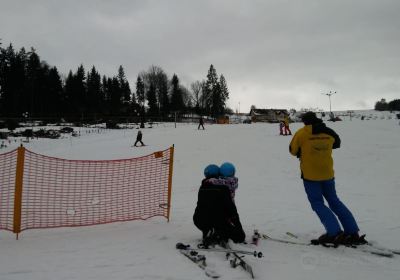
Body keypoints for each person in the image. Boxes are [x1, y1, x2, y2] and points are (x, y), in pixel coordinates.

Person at [289, 111, 365, 246]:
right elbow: (337, 143)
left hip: (310, 176)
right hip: (327, 174)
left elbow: (292, 150)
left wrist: (304, 150)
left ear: (305, 121)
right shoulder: (328, 131)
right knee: (334, 201)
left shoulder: (302, 133)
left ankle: (334, 232)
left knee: (317, 203)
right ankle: (352, 231)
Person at [193, 163, 245, 246]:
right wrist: (239, 230)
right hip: (217, 220)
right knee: (237, 236)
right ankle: (217, 234)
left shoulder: (203, 186)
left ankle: (210, 231)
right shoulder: (224, 189)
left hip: (198, 219)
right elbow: (232, 211)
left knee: (214, 216)